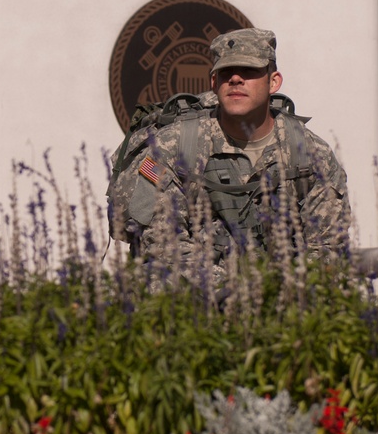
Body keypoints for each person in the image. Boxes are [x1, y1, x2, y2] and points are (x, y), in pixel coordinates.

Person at [107, 28, 351, 269]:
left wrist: (279, 293)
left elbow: (326, 247)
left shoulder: (311, 155)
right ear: (214, 82)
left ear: (273, 82)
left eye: (249, 71)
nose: (235, 79)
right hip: (196, 296)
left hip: (284, 296)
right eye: (226, 73)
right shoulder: (173, 147)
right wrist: (230, 296)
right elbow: (164, 245)